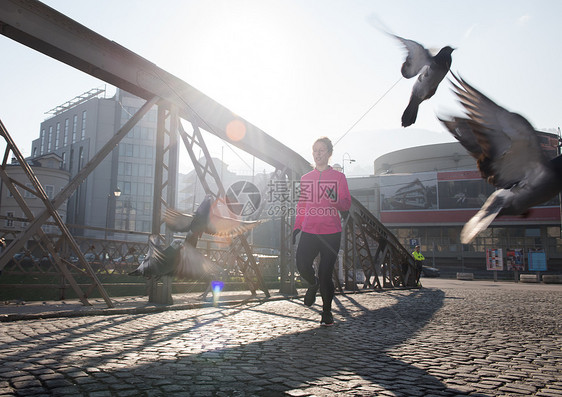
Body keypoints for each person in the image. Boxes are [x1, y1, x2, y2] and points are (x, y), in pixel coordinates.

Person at [293, 137, 352, 326]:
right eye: (315, 150)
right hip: (310, 231)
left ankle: (327, 313)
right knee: (301, 264)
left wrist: (334, 198)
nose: (318, 154)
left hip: (331, 232)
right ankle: (312, 283)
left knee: (326, 273)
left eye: (322, 150)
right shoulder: (306, 179)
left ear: (329, 153)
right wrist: (297, 226)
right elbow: (302, 205)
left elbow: (346, 205)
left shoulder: (339, 178)